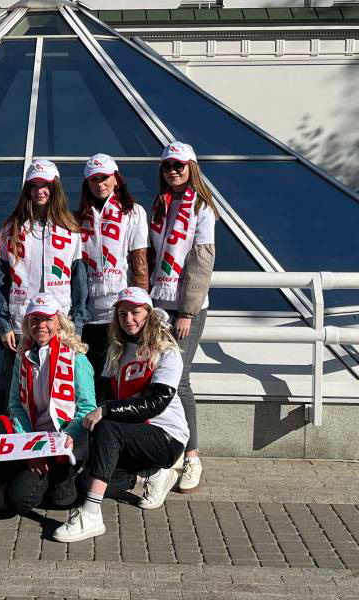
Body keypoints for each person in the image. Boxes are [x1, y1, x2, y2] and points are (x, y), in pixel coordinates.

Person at [52, 287, 188, 542]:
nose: (128, 319)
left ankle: (91, 514)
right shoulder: (117, 350)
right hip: (127, 436)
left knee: (107, 425)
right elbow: (104, 395)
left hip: (166, 437)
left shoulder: (167, 351)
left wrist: (107, 410)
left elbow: (155, 403)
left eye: (135, 312)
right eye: (122, 313)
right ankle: (150, 476)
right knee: (85, 482)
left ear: (149, 314)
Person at [149, 142, 218, 494]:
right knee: (157, 378)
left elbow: (201, 261)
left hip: (184, 308)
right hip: (158, 303)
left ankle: (192, 457)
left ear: (191, 167)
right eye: (167, 166)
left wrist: (188, 311)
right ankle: (167, 449)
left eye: (179, 165)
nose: (173, 171)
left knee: (181, 380)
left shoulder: (202, 207)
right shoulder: (160, 205)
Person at [0, 293, 95, 514]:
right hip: (35, 437)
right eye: (35, 319)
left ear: (59, 322)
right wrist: (29, 445)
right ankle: (24, 478)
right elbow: (15, 405)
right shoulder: (23, 357)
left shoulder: (76, 358)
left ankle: (65, 480)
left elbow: (87, 408)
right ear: (27, 324)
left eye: (47, 319)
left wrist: (70, 435)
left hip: (65, 441)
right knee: (18, 499)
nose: (41, 325)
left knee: (61, 500)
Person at [0, 160, 87, 405]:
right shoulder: (11, 229)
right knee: (19, 390)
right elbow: (2, 282)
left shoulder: (71, 230)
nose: (39, 191)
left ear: (54, 188)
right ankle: (18, 429)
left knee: (59, 389)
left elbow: (79, 283)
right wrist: (3, 325)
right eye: (34, 186)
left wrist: (78, 324)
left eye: (45, 185)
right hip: (21, 323)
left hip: (60, 323)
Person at [78, 153, 149, 378]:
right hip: (88, 311)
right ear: (87, 183)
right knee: (90, 373)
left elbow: (140, 261)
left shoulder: (133, 212)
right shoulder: (79, 217)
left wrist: (140, 304)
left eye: (104, 177)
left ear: (116, 179)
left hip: (120, 309)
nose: (100, 184)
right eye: (94, 179)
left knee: (118, 373)